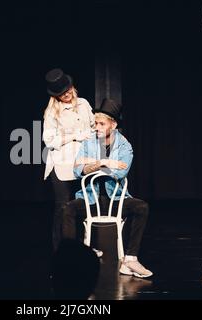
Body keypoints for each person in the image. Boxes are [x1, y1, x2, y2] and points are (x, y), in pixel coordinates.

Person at [62, 98, 153, 278]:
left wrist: (92, 164)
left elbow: (120, 172)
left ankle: (130, 260)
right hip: (91, 199)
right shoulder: (88, 143)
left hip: (116, 200)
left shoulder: (124, 146)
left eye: (101, 123)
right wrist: (104, 162)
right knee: (67, 209)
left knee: (142, 207)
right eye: (95, 123)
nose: (97, 127)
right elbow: (78, 169)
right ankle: (70, 260)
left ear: (113, 125)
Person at [42, 68, 94, 252]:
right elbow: (49, 140)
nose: (67, 94)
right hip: (61, 164)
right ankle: (61, 250)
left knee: (82, 205)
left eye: (68, 89)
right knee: (63, 207)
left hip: (82, 162)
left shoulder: (83, 104)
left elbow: (93, 128)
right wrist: (74, 136)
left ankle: (83, 247)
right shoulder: (52, 112)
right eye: (62, 93)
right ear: (56, 96)